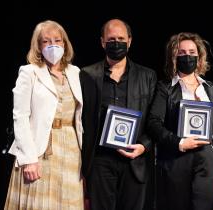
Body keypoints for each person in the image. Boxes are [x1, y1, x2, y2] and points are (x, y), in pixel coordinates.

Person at [4, 20, 84, 209]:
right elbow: (20, 117)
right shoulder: (29, 72)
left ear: (65, 44)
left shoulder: (75, 72)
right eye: (46, 42)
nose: (53, 45)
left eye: (58, 40)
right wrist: (29, 159)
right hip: (39, 151)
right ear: (38, 46)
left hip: (72, 151)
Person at [80, 19, 157, 210]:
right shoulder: (86, 75)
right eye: (111, 39)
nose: (116, 43)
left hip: (135, 160)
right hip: (100, 161)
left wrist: (144, 146)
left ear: (130, 41)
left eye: (121, 38)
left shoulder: (147, 76)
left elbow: (155, 120)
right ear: (102, 42)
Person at [147, 32, 213, 210]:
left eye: (192, 52)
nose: (187, 56)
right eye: (181, 52)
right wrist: (179, 142)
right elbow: (153, 122)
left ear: (199, 56)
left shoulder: (209, 87)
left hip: (207, 159)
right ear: (173, 57)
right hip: (177, 158)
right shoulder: (165, 87)